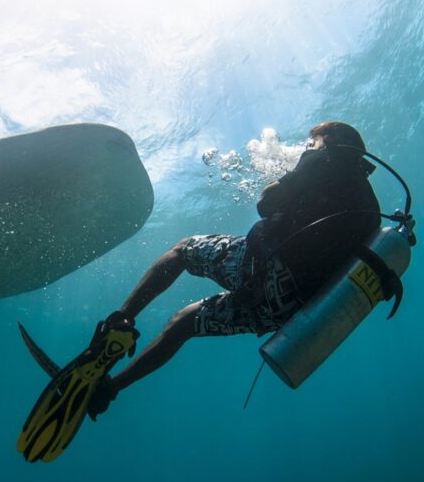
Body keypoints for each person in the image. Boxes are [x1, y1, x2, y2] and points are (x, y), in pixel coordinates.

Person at [87, 121, 382, 418]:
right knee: (185, 323)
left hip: (261, 267)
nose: (307, 146)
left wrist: (284, 185)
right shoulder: (371, 211)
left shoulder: (325, 156)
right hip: (285, 310)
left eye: (312, 140)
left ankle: (121, 320)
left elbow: (267, 203)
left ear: (328, 138)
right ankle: (110, 388)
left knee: (183, 251)